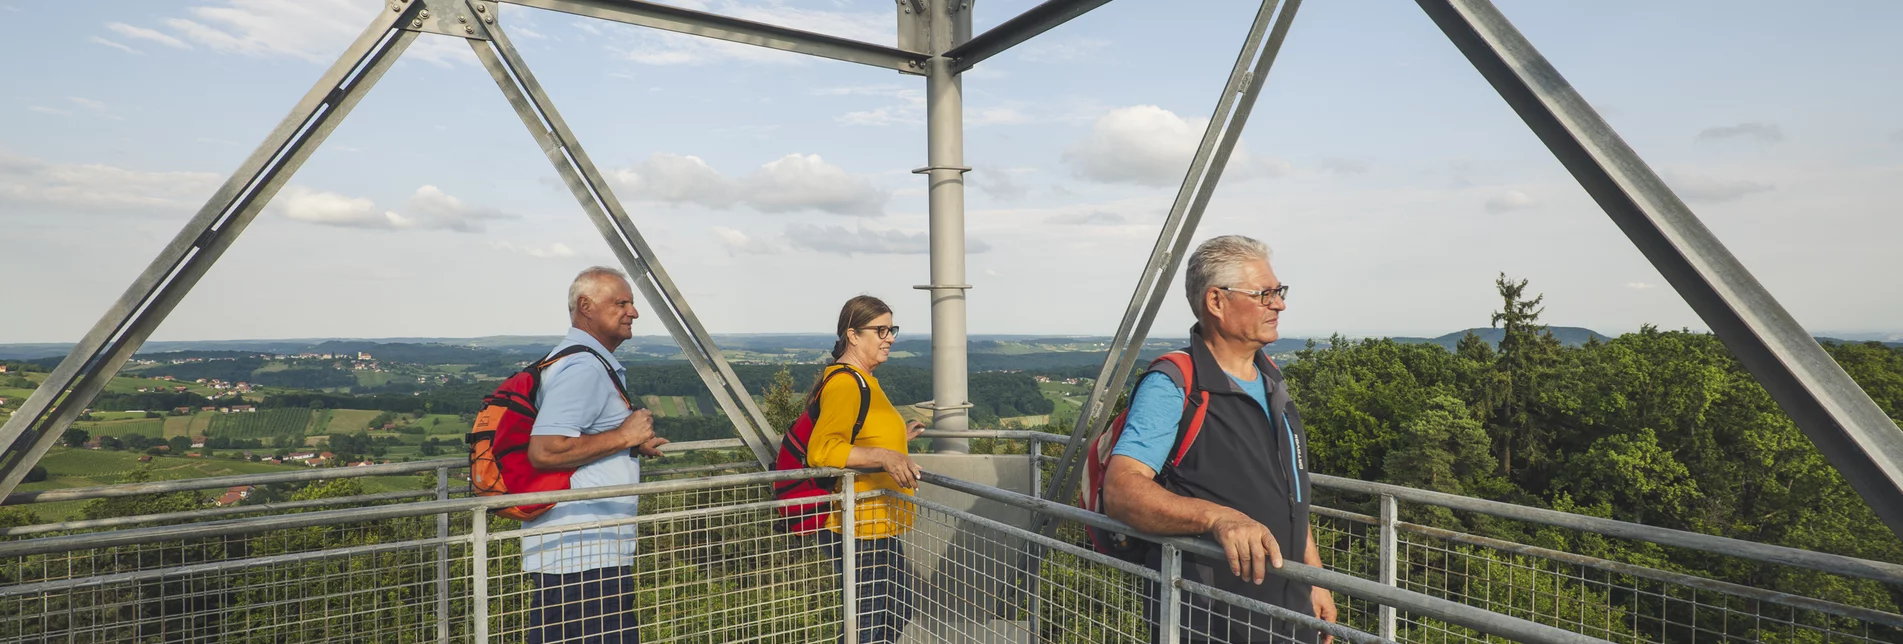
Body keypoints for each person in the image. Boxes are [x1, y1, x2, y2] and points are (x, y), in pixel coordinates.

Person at [1102, 235, 1337, 643]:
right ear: (1216, 302)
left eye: (1278, 292)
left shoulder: (1272, 381)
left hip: (1288, 608)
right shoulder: (1175, 384)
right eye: (1264, 294)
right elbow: (1121, 490)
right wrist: (1218, 518)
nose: (1278, 304)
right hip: (1210, 616)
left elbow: (1288, 490)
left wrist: (1314, 579)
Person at [521, 266, 671, 644]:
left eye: (632, 303)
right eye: (620, 302)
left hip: (581, 551)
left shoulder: (577, 359)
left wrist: (630, 443)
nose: (633, 312)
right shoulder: (583, 366)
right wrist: (623, 435)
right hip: (583, 554)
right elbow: (545, 450)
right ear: (586, 306)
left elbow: (579, 435)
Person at [804, 295, 927, 644]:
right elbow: (823, 449)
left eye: (892, 330)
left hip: (874, 522)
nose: (889, 337)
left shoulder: (865, 378)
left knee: (893, 611)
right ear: (853, 335)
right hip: (856, 524)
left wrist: (897, 441)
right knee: (867, 626)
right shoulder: (846, 382)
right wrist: (885, 456)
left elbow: (858, 434)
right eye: (881, 330)